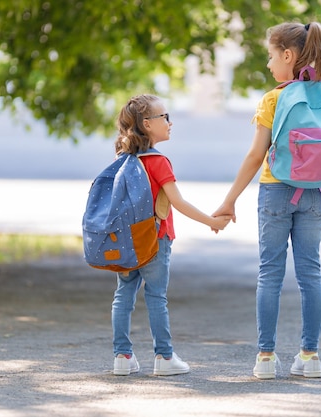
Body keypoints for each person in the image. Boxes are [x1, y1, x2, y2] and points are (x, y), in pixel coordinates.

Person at [212, 22, 321, 379]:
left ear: (288, 56)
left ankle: (265, 358)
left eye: (271, 56)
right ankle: (310, 356)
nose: (268, 64)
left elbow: (255, 155)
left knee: (270, 274)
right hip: (313, 196)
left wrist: (229, 200)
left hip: (276, 190)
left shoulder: (274, 98)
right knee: (311, 274)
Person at [111, 94, 231, 377]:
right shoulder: (158, 161)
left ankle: (122, 356)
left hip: (126, 239)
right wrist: (211, 221)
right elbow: (177, 202)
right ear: (147, 124)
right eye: (164, 117)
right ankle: (164, 358)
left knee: (123, 295)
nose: (170, 122)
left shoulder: (123, 159)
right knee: (156, 297)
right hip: (155, 238)